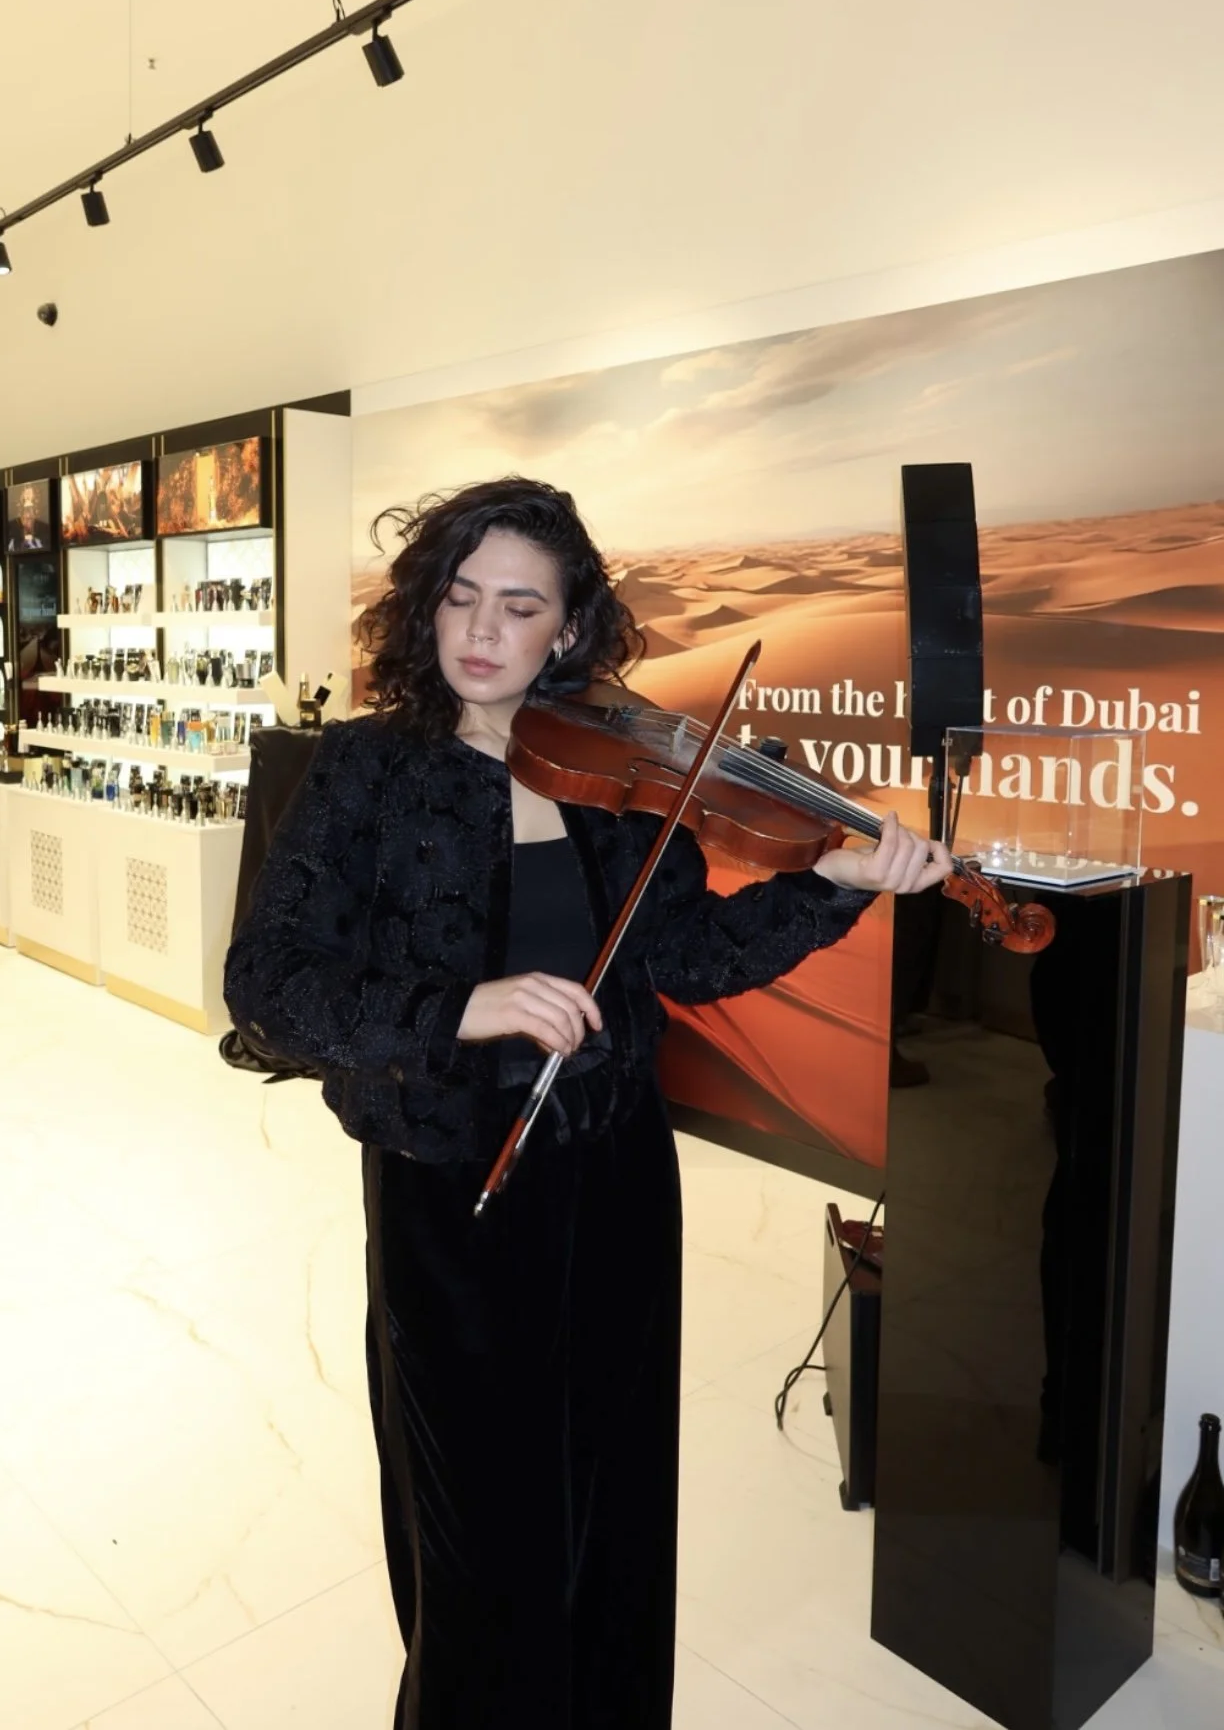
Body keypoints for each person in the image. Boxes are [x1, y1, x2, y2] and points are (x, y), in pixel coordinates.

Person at [224, 478, 953, 1730]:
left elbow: (686, 958)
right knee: (480, 1541)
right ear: (425, 605)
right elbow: (267, 984)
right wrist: (462, 1007)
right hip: (452, 1191)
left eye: (520, 607)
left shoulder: (617, 771)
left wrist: (834, 884)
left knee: (613, 1508)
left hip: (615, 1176)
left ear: (567, 628)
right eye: (460, 597)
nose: (482, 631)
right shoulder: (366, 769)